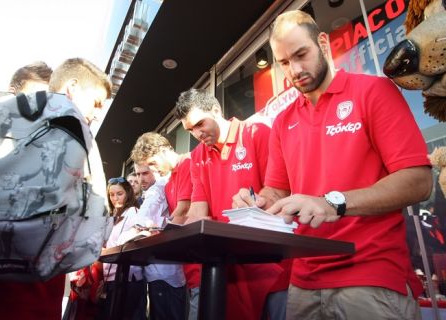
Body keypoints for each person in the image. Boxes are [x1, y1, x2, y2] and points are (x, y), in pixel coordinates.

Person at [232, 10, 432, 320]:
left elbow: (418, 181)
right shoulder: (283, 122)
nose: (295, 70)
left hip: (370, 275)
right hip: (303, 280)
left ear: (323, 43)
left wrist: (333, 203)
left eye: (301, 54)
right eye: (284, 63)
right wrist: (256, 203)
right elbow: (277, 191)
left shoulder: (373, 91)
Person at [0, 57, 112, 320]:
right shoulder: (73, 132)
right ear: (72, 88)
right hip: (31, 288)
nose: (96, 112)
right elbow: (97, 211)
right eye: (96, 103)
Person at [174, 88, 290, 320]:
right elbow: (198, 208)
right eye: (190, 130)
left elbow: (280, 190)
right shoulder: (197, 156)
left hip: (269, 262)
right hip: (228, 267)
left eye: (199, 124)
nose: (197, 133)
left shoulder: (257, 133)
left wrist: (258, 203)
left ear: (216, 110)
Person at [130, 132, 197, 318]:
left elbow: (183, 210)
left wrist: (160, 231)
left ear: (165, 149)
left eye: (151, 164)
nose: (153, 169)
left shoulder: (187, 163)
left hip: (196, 263)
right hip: (187, 266)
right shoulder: (169, 182)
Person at [95, 177, 147, 320]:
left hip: (128, 278)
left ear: (128, 193)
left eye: (119, 193)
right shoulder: (113, 216)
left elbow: (134, 239)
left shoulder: (133, 212)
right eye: (112, 194)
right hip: (111, 278)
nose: (115, 198)